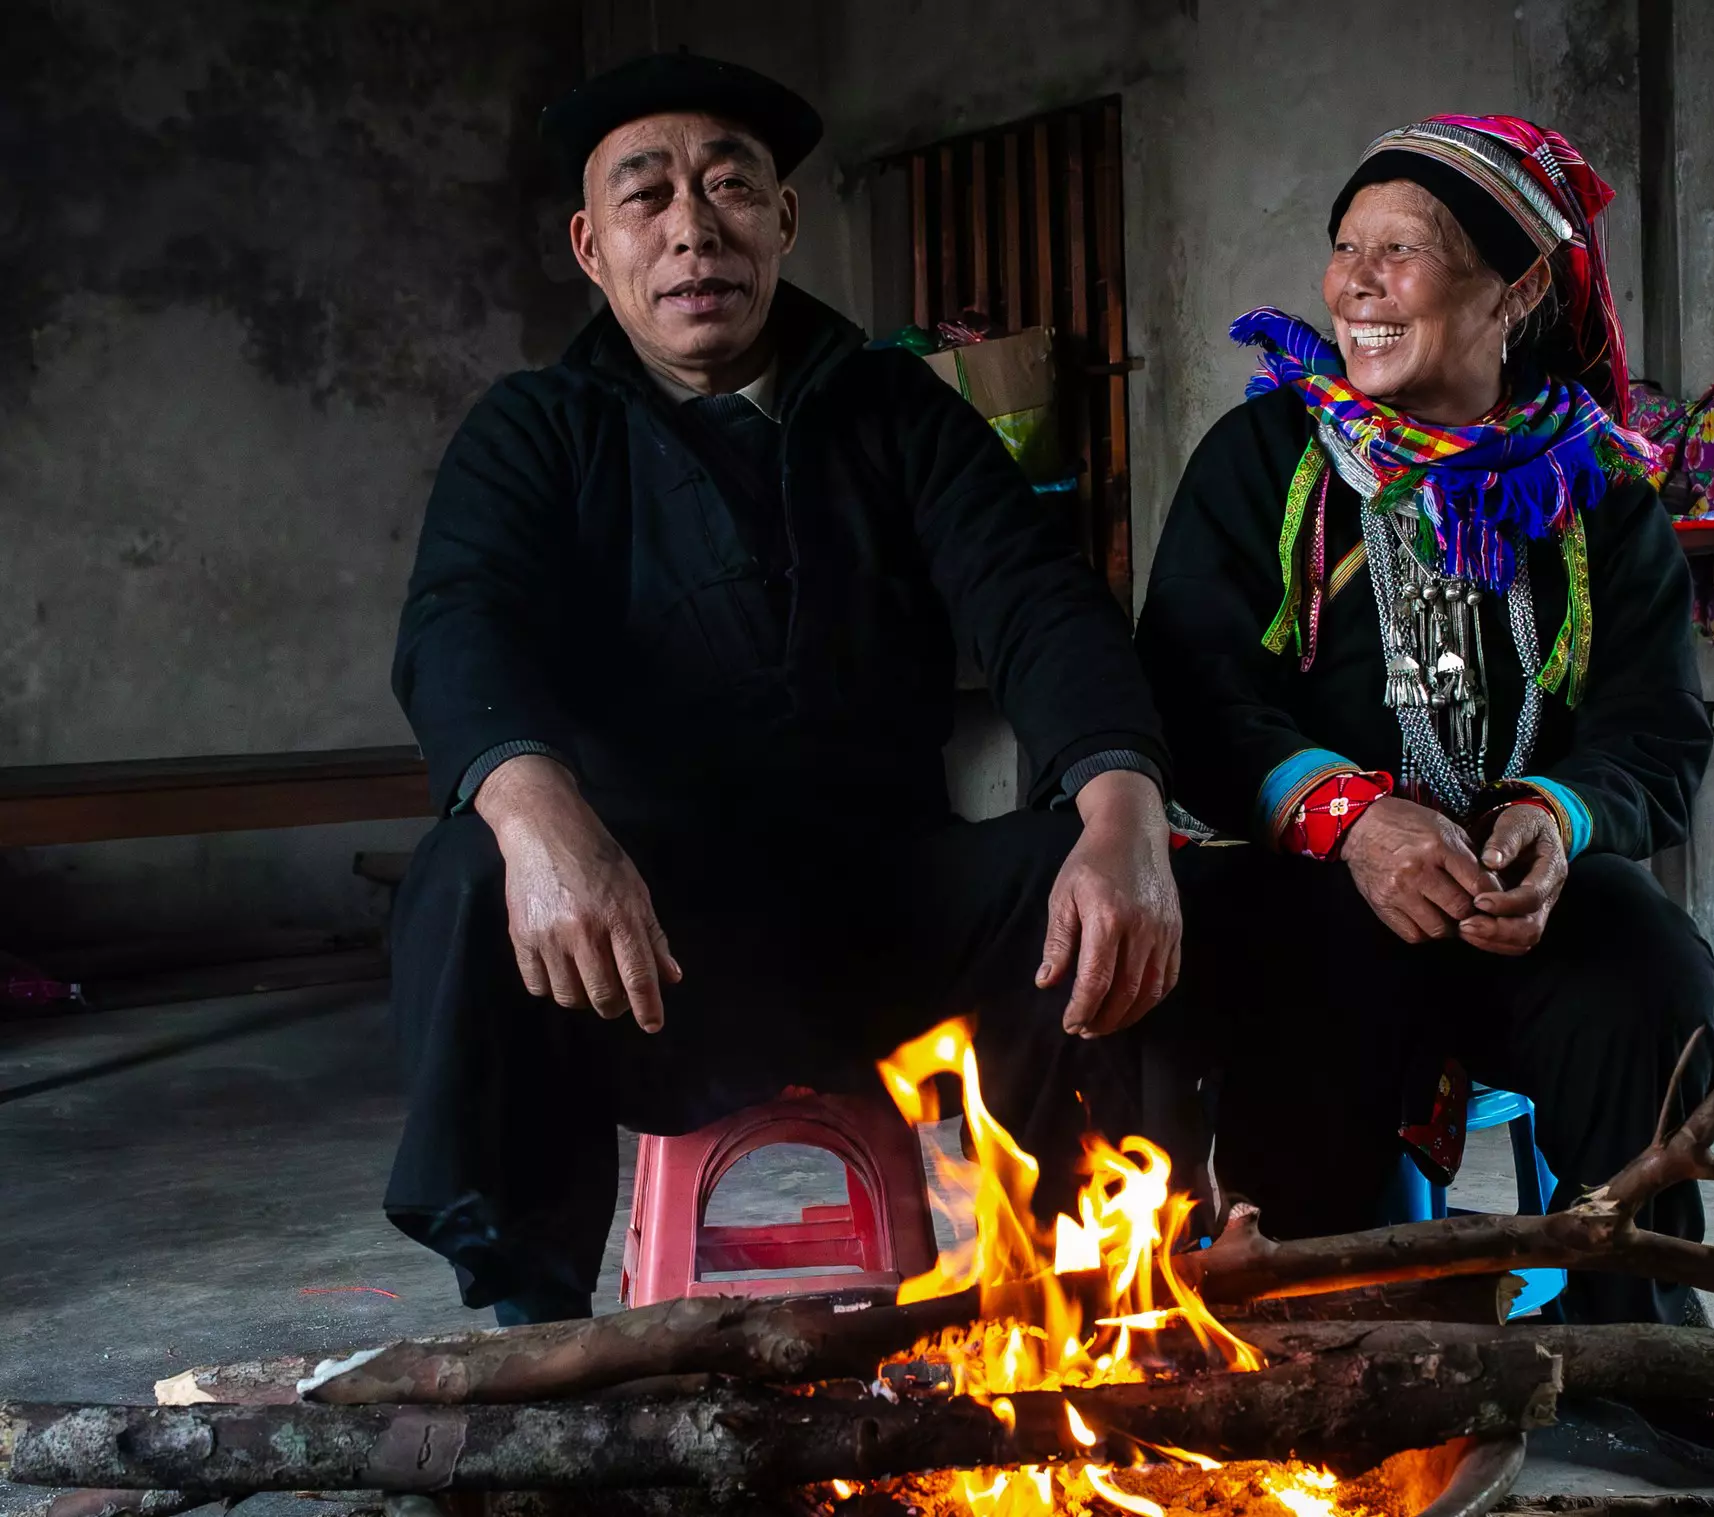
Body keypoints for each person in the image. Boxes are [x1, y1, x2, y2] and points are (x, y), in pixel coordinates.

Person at [385, 50, 1192, 1329]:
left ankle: (1085, 1299)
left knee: (1089, 873)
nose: (692, 229)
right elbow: (457, 620)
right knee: (473, 869)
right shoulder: (535, 429)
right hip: (655, 955)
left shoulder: (895, 410)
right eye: (646, 196)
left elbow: (1038, 600)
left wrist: (1124, 808)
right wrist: (539, 819)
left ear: (784, 218)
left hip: (889, 919)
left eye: (729, 186)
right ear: (592, 247)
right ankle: (534, 1325)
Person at [1136, 115, 1714, 1476]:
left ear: (1515, 289)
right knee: (1303, 965)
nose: (1355, 283)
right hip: (1315, 880)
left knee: (1647, 968)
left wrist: (1552, 817)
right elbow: (1190, 691)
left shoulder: (1596, 490)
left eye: (1402, 252)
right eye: (1344, 248)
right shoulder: (1265, 459)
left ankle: (1633, 1338)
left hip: (1512, 900)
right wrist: (1346, 816)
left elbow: (1653, 729)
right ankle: (1324, 1330)